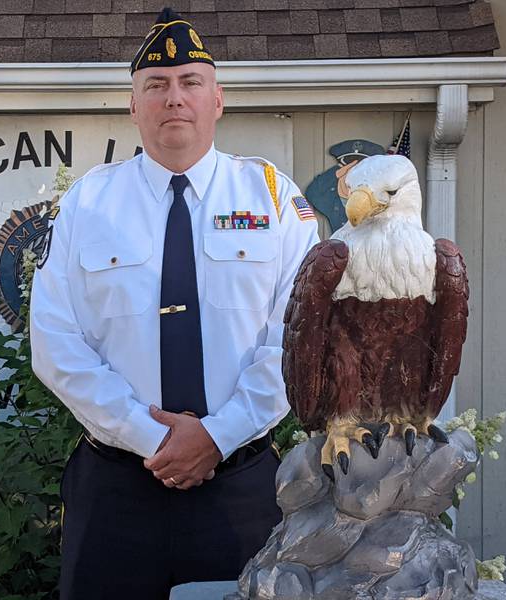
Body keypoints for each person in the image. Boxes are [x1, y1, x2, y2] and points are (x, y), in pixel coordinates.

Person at [29, 7, 320, 599]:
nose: (174, 98)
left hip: (240, 485)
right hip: (116, 488)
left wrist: (217, 435)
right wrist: (152, 438)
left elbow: (298, 340)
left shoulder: (271, 197)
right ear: (133, 105)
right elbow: (56, 342)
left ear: (218, 99)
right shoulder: (89, 203)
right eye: (155, 86)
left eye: (190, 83)